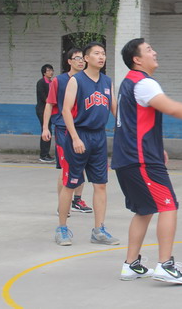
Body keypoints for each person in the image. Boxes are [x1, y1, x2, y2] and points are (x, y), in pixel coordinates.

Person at [112, 38, 182, 283]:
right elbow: (172, 108)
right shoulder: (144, 83)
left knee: (144, 210)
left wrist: (157, 148)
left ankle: (130, 265)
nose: (155, 52)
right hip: (141, 160)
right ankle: (165, 265)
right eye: (149, 50)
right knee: (168, 205)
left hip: (128, 158)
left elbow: (135, 123)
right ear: (137, 59)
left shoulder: (128, 83)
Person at [55, 42, 118, 246]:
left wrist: (128, 129)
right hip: (79, 135)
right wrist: (74, 138)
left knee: (100, 184)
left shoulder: (107, 81)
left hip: (99, 137)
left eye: (103, 54)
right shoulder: (76, 80)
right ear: (86, 58)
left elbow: (114, 109)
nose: (101, 57)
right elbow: (66, 110)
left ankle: (99, 230)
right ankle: (62, 228)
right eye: (96, 53)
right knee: (71, 183)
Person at [42, 49, 91, 215]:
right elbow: (49, 104)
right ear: (69, 61)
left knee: (81, 164)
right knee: (66, 167)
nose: (80, 61)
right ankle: (63, 204)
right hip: (63, 129)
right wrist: (45, 127)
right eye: (77, 58)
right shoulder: (59, 81)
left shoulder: (88, 80)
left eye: (82, 58)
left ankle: (77, 200)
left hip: (82, 128)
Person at [36, 63, 55, 163]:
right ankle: (43, 155)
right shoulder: (41, 83)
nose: (51, 72)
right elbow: (45, 98)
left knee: (49, 131)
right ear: (44, 73)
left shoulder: (51, 83)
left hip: (50, 110)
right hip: (42, 110)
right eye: (48, 71)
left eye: (52, 70)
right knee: (46, 131)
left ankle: (46, 153)